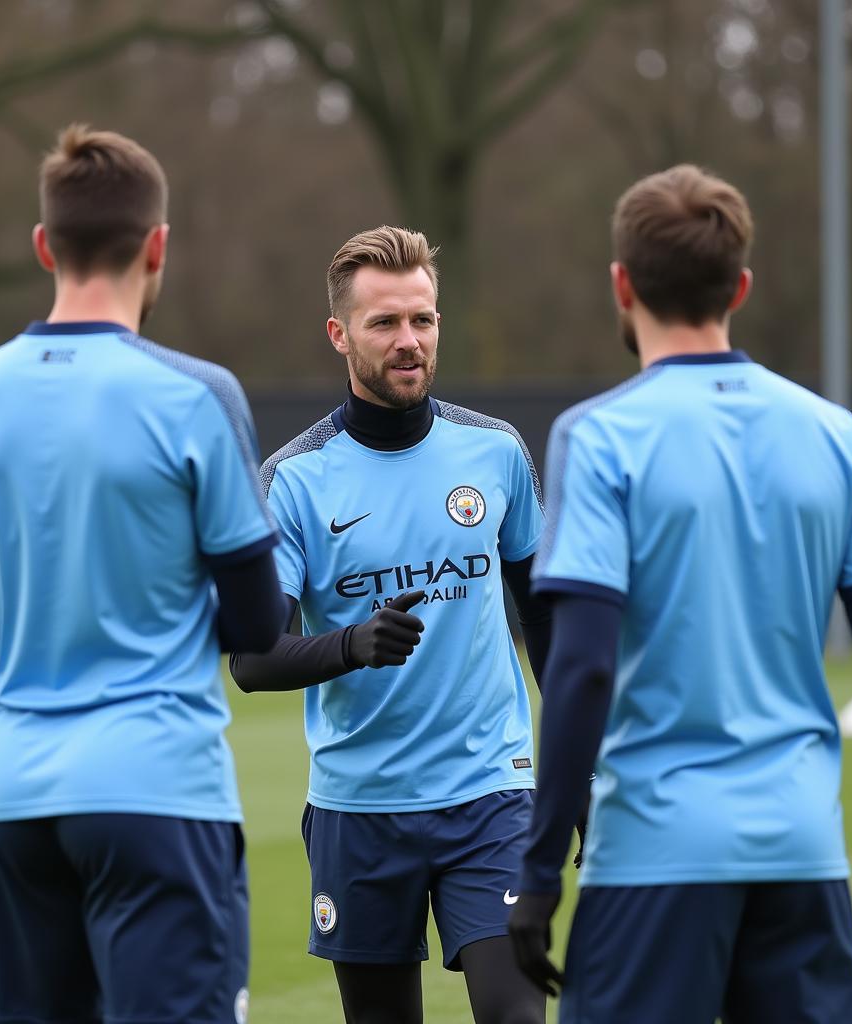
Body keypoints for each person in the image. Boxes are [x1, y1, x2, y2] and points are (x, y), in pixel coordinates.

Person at [0, 125, 285, 1024]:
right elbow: (260, 626)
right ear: (157, 247)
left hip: (11, 802)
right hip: (157, 791)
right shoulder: (198, 397)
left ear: (44, 246)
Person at [508, 164, 852, 1024]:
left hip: (655, 853)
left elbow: (581, 671)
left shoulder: (600, 438)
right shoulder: (843, 440)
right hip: (803, 851)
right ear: (741, 286)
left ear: (622, 284)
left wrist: (537, 874)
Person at [230, 225, 553, 1024]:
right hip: (360, 806)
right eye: (385, 323)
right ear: (340, 334)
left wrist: (575, 767)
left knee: (517, 1015)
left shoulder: (497, 452)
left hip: (492, 793)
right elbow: (251, 657)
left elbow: (545, 617)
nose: (408, 341)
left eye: (423, 320)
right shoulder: (292, 480)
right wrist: (351, 646)